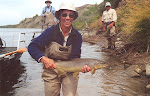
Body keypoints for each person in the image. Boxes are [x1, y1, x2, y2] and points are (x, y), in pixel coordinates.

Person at [28, 1, 91, 96]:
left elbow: (75, 57)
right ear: (59, 16)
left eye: (71, 15)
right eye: (64, 15)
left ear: (73, 18)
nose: (67, 18)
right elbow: (32, 46)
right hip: (51, 69)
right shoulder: (50, 32)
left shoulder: (77, 36)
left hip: (70, 70)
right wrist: (43, 59)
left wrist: (82, 67)